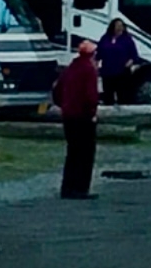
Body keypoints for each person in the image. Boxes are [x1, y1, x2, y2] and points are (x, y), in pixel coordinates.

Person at [53, 40, 101, 199]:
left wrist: (64, 106)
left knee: (72, 152)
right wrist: (92, 112)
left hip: (69, 115)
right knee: (85, 153)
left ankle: (67, 187)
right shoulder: (89, 69)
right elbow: (90, 95)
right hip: (83, 116)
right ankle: (81, 188)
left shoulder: (70, 68)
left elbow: (57, 91)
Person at [94, 17, 139, 106]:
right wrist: (95, 65)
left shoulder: (127, 39)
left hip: (122, 72)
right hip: (107, 71)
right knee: (108, 95)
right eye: (117, 26)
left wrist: (129, 62)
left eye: (121, 26)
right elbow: (99, 53)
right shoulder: (105, 38)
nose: (119, 28)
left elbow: (134, 55)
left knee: (123, 95)